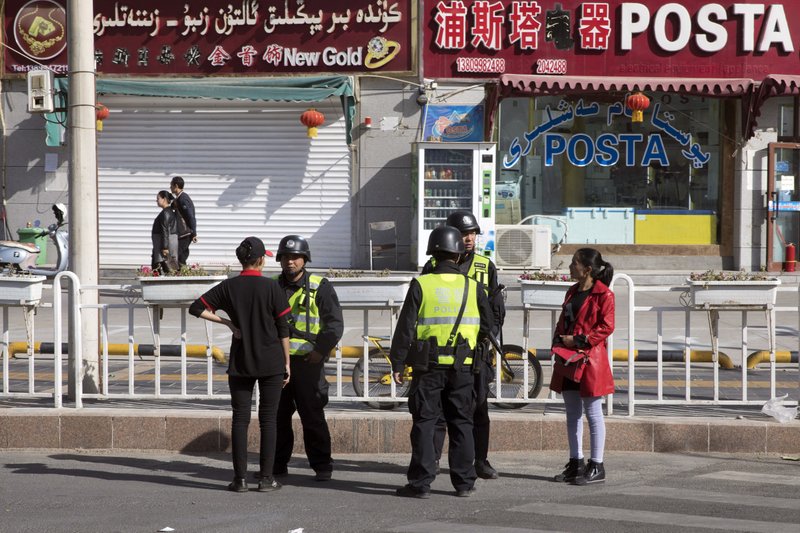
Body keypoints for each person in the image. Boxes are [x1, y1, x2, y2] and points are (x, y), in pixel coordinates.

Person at [390, 225, 494, 499]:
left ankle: (421, 483)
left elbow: (405, 328)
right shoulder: (473, 287)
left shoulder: (422, 284)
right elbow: (489, 325)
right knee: (462, 422)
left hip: (428, 368)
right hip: (464, 367)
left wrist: (398, 363)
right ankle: (464, 483)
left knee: (425, 422)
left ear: (433, 255)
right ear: (459, 256)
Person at [188, 236, 291, 493]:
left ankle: (240, 480)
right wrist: (287, 363)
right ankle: (267, 479)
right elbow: (283, 330)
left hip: (241, 361)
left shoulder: (229, 287)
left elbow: (196, 307)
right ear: (260, 260)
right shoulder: (272, 288)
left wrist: (228, 323)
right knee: (269, 420)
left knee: (240, 419)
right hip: (271, 362)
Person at [423, 211, 505, 480]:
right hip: (439, 354)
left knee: (479, 408)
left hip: (475, 352)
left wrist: (485, 335)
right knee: (437, 413)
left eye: (472, 234)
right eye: (464, 234)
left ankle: (479, 460)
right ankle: (432, 460)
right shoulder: (434, 266)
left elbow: (496, 311)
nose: (469, 239)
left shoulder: (485, 266)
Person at [273, 235, 343, 481]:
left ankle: (323, 466)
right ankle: (276, 466)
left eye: (295, 257)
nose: (290, 262)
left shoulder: (319, 286)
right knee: (278, 418)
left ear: (304, 259)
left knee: (312, 417)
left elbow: (334, 325)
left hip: (308, 363)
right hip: (279, 364)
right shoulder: (271, 285)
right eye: (285, 257)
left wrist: (320, 351)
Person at [550, 247, 615, 486]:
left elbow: (606, 327)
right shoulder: (572, 290)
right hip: (568, 358)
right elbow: (563, 320)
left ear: (587, 269)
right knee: (572, 414)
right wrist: (558, 340)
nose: (570, 266)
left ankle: (596, 464)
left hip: (590, 360)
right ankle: (576, 463)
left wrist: (578, 341)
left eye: (573, 263)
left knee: (593, 413)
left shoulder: (604, 294)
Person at [170, 176, 197, 267]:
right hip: (183, 233)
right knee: (182, 256)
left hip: (186, 233)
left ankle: (179, 275)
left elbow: (191, 216)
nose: (170, 187)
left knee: (176, 255)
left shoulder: (183, 199)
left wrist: (194, 233)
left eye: (171, 185)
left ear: (176, 186)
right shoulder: (179, 199)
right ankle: (184, 274)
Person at [150, 190, 179, 274]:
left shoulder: (165, 213)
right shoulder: (167, 211)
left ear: (164, 199)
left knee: (166, 264)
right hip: (164, 242)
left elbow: (165, 230)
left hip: (163, 244)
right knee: (168, 264)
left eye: (158, 198)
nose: (156, 201)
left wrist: (165, 247)